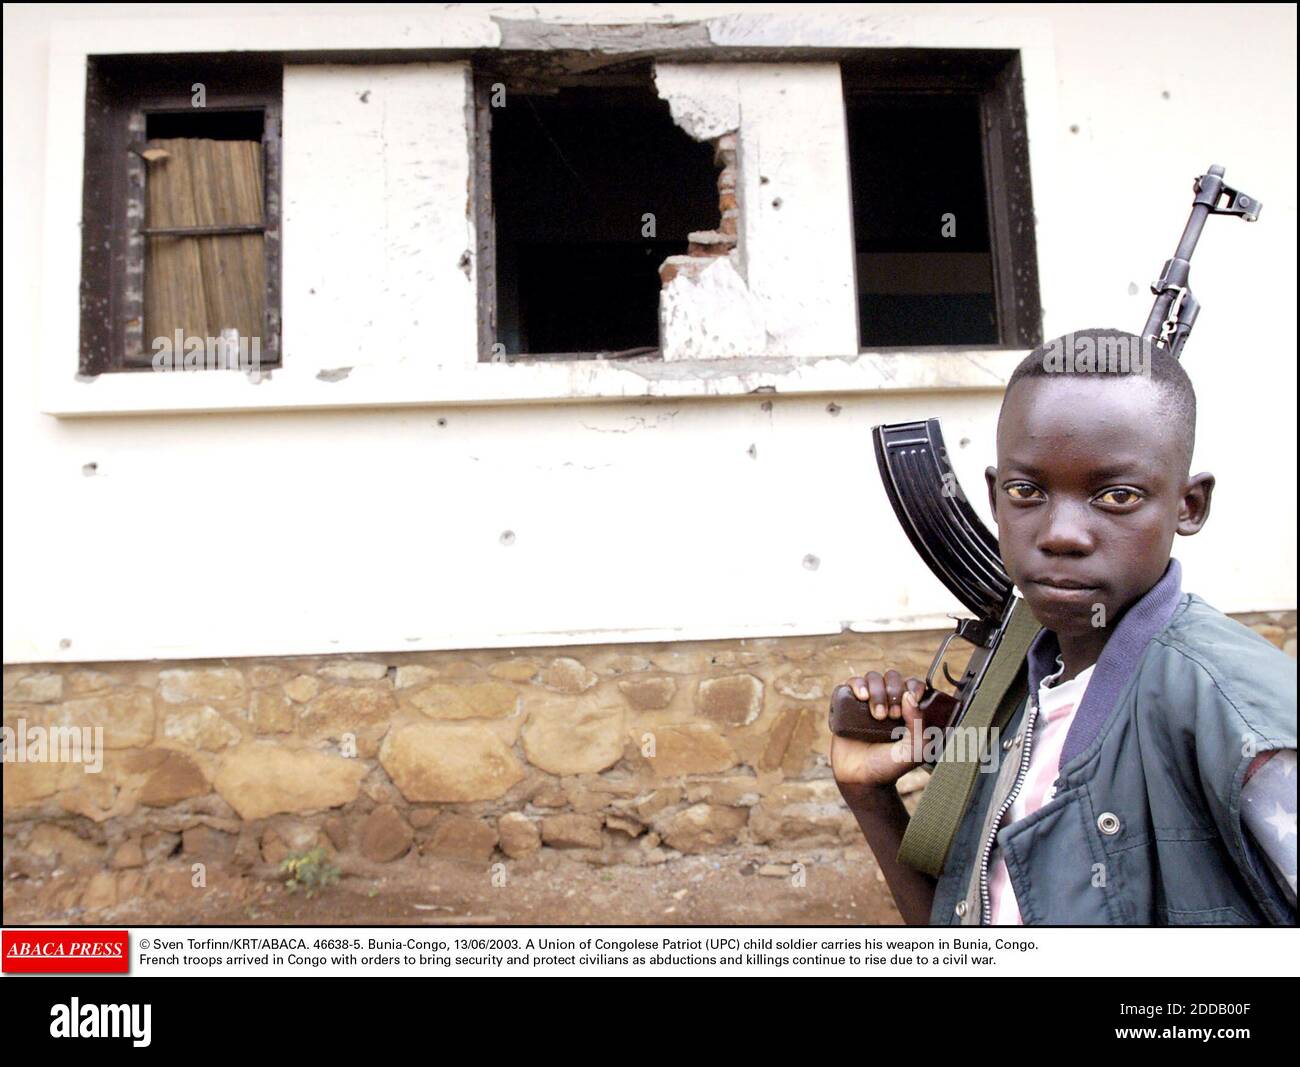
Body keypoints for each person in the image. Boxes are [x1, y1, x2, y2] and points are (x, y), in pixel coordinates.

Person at [832, 328, 1296, 925]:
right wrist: (868, 795)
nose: (1061, 534)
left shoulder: (1237, 720)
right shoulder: (1022, 686)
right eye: (1028, 491)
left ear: (1189, 505)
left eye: (1117, 495)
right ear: (996, 498)